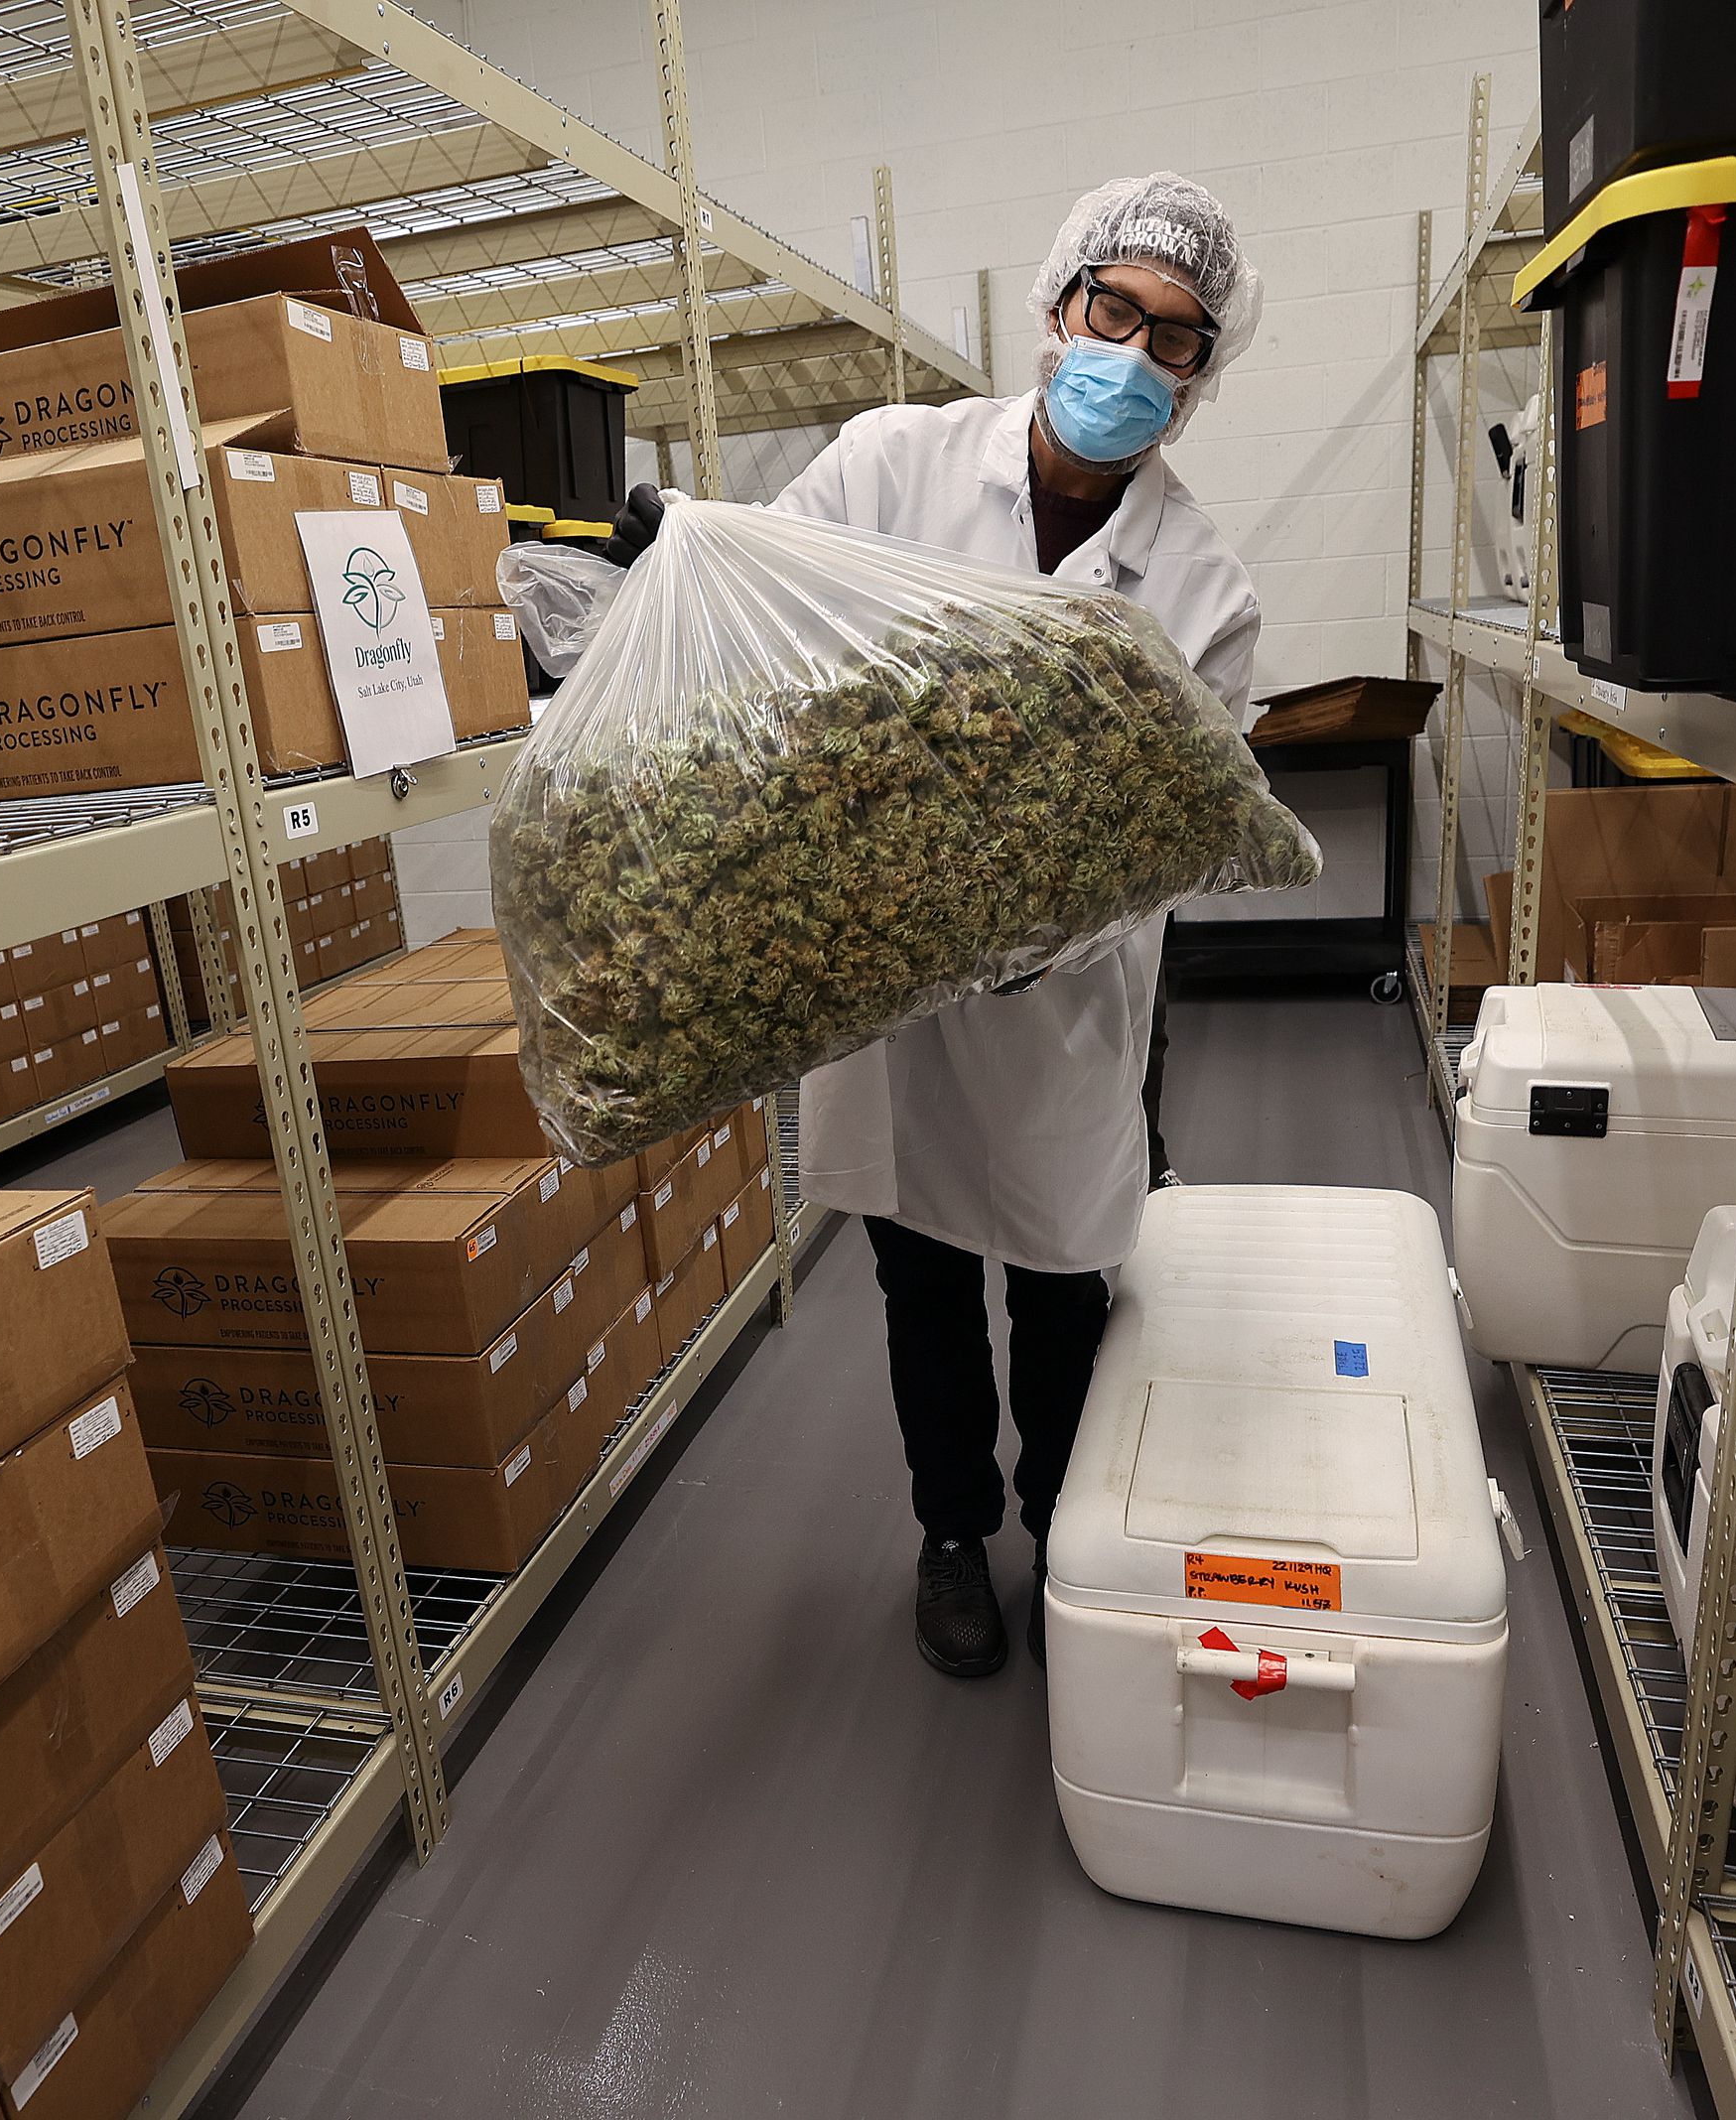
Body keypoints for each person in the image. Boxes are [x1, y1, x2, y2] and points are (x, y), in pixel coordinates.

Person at [602, 173, 1265, 1678]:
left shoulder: (1204, 588)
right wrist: (680, 552)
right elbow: (772, 615)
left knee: (1058, 1283)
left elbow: (1183, 833)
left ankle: (1069, 1537)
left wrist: (1043, 933)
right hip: (885, 990)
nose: (1134, 356)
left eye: (1176, 338)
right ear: (1057, 307)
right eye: (1116, 311)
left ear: (1196, 379)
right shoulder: (891, 461)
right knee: (916, 1276)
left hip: (1065, 1005)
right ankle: (955, 1533)